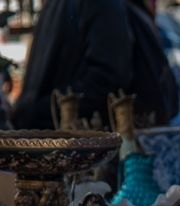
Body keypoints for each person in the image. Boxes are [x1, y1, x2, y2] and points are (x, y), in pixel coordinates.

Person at [12, 0, 133, 129]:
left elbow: (108, 78)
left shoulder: (96, 5)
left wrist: (37, 111)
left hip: (75, 137)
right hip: (51, 133)